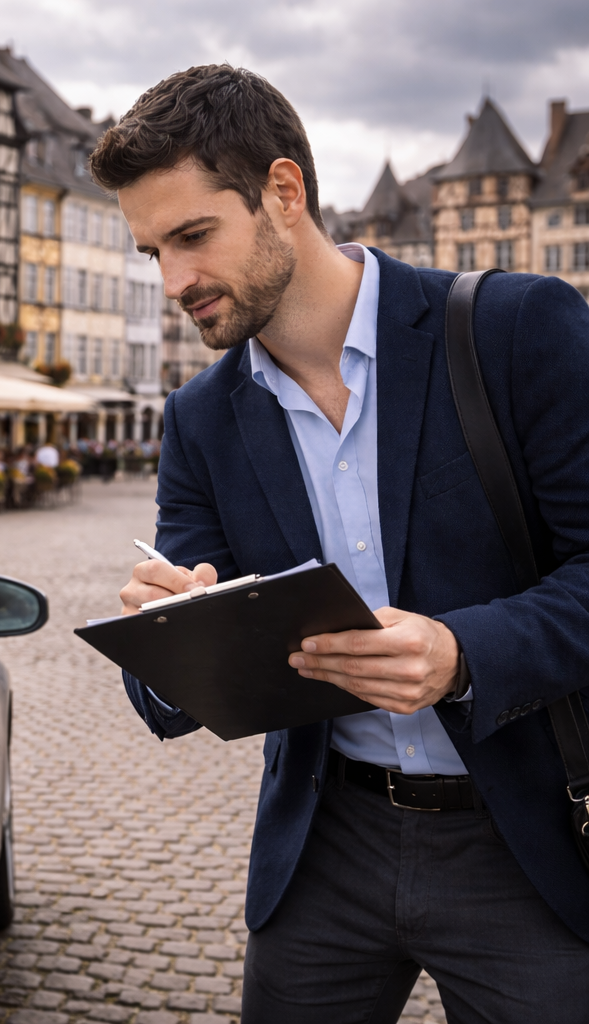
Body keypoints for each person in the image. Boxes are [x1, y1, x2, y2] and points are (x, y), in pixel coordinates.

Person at [91, 65, 589, 1023]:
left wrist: (461, 654)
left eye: (193, 236)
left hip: (526, 839)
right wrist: (166, 639)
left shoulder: (514, 328)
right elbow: (172, 700)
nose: (174, 282)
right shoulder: (199, 418)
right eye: (153, 250)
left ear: (285, 193)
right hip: (325, 845)